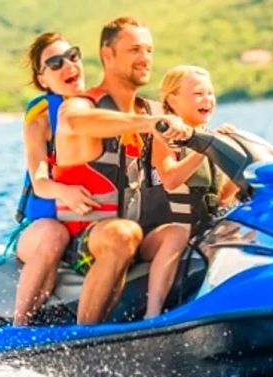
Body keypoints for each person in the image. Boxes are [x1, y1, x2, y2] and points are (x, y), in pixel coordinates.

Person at [54, 17, 193, 323]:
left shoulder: (151, 111)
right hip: (85, 240)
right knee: (123, 233)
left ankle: (155, 321)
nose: (145, 58)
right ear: (108, 54)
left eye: (149, 50)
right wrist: (148, 125)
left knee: (177, 231)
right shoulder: (81, 105)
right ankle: (84, 337)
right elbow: (76, 123)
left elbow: (173, 168)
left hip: (136, 234)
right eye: (134, 50)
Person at [12, 32, 92, 325]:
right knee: (53, 235)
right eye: (55, 63)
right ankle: (19, 326)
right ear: (43, 79)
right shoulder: (42, 121)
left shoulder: (103, 108)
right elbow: (40, 182)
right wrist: (66, 192)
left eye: (73, 56)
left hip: (89, 226)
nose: (68, 65)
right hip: (44, 229)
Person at [153, 65, 239, 236]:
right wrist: (206, 147)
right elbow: (170, 179)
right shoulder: (164, 138)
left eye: (211, 93)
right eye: (199, 94)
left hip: (205, 230)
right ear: (173, 101)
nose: (207, 99)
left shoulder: (211, 137)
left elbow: (221, 198)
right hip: (170, 231)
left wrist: (241, 169)